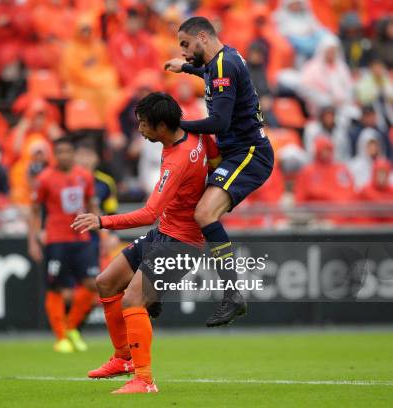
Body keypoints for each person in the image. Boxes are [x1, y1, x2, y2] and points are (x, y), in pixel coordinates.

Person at [71, 92, 214, 394]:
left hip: (180, 242)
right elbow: (216, 156)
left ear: (161, 125)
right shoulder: (195, 133)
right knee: (106, 282)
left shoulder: (177, 160)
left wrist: (102, 220)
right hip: (164, 233)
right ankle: (124, 358)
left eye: (143, 124)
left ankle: (145, 380)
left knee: (133, 300)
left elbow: (149, 212)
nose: (139, 130)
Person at [164, 16, 274, 326]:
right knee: (190, 214)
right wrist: (185, 68)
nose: (184, 52)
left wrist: (175, 126)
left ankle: (232, 292)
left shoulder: (224, 65)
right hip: (235, 153)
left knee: (203, 215)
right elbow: (209, 73)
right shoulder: (226, 58)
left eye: (185, 45)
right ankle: (156, 286)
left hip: (249, 154)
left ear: (202, 37)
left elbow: (219, 123)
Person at [28, 136, 99, 353]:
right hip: (57, 239)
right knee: (58, 288)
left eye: (68, 151)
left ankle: (70, 328)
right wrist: (33, 239)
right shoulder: (45, 178)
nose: (64, 155)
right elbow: (35, 209)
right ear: (54, 155)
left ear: (73, 154)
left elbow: (92, 203)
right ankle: (61, 337)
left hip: (82, 239)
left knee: (92, 285)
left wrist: (99, 231)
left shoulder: (84, 176)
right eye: (60, 152)